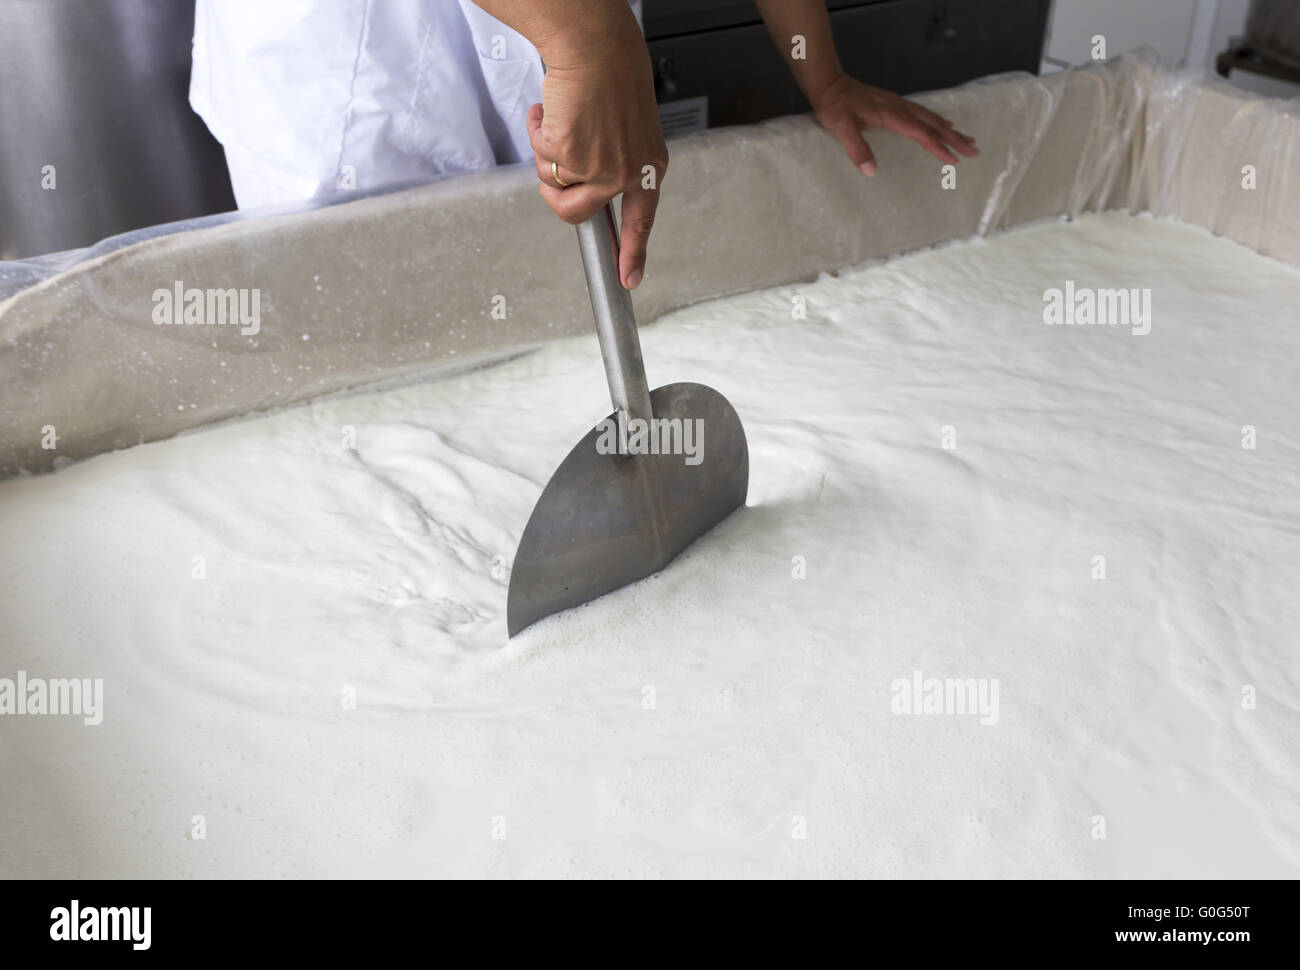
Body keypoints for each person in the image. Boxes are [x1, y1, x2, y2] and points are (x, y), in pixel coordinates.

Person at [192, 0, 977, 291]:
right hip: (362, 57)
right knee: (367, 326)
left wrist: (822, 71)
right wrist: (588, 35)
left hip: (572, 40)